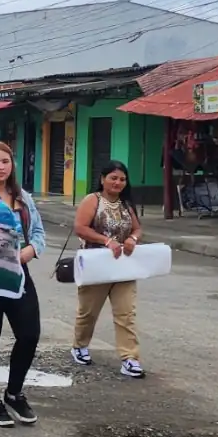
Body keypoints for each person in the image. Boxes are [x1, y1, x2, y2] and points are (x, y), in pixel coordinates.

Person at [0, 142, 46, 428]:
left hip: (17, 273)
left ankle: (14, 393)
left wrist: (32, 250)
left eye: (5, 161)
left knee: (29, 334)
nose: (1, 167)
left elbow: (37, 232)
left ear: (12, 164)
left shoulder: (22, 197)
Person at [71, 160, 146, 378]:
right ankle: (79, 345)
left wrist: (132, 238)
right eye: (113, 178)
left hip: (123, 265)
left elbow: (138, 229)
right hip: (96, 264)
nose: (118, 183)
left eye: (122, 179)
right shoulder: (92, 200)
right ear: (103, 179)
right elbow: (80, 228)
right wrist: (106, 241)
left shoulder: (126, 204)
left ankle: (130, 358)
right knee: (88, 312)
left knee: (126, 313)